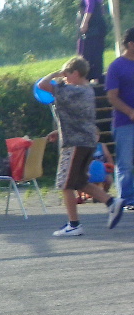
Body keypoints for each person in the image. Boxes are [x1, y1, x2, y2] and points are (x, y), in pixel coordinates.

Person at [38, 57, 125, 236]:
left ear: (75, 73)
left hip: (74, 143)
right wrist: (59, 132)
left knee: (65, 184)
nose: (65, 78)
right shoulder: (88, 90)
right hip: (87, 141)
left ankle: (74, 224)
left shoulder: (72, 90)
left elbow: (42, 85)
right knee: (79, 182)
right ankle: (112, 202)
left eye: (67, 74)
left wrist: (56, 74)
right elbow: (77, 117)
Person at [106, 27, 134, 207]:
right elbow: (112, 97)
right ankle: (127, 198)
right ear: (131, 44)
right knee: (125, 163)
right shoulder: (117, 66)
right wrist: (130, 112)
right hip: (124, 123)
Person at [77, 0, 107, 84]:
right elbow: (101, 9)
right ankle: (97, 76)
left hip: (92, 27)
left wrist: (84, 23)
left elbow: (90, 7)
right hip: (99, 26)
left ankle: (87, 77)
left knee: (88, 53)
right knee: (97, 52)